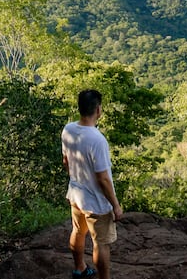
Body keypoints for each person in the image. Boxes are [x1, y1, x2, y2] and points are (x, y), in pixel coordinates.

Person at [62, 89, 123, 279]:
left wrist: (76, 180)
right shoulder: (97, 140)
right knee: (101, 243)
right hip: (96, 202)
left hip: (76, 194)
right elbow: (103, 178)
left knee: (78, 231)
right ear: (98, 110)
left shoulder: (68, 130)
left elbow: (66, 161)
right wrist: (115, 205)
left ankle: (79, 268)